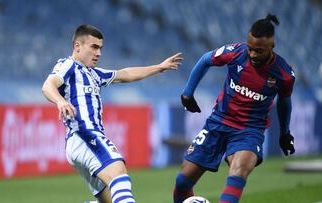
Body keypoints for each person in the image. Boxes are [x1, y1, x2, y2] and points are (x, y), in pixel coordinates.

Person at [42, 24, 183, 203]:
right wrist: (60, 101)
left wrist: (158, 67)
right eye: (94, 47)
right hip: (85, 135)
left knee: (110, 199)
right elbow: (48, 85)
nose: (98, 53)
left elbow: (125, 74)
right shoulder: (69, 65)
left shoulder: (94, 74)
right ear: (77, 46)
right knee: (119, 175)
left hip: (80, 143)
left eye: (100, 48)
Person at [173, 14, 295, 203]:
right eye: (250, 48)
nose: (253, 54)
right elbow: (206, 59)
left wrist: (284, 133)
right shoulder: (236, 52)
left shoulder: (284, 74)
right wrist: (187, 93)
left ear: (272, 46)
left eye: (259, 51)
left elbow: (285, 101)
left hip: (249, 131)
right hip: (218, 122)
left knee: (238, 173)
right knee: (182, 182)